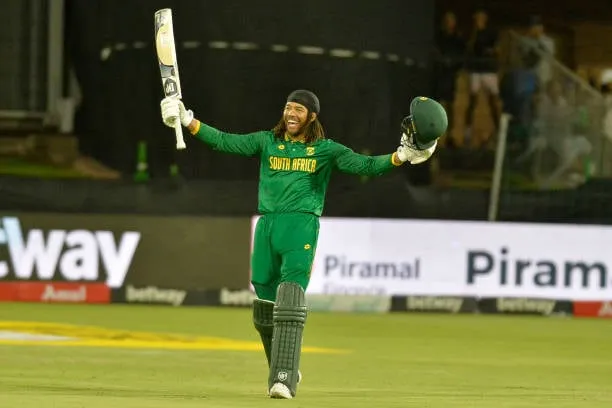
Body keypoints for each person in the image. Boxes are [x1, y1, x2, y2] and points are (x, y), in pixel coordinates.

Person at [160, 90, 447, 399]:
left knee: (290, 295)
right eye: (288, 107)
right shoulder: (266, 142)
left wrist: (400, 156)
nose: (291, 113)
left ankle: (283, 379)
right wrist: (188, 120)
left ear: (312, 117)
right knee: (263, 306)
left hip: (301, 225)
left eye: (299, 109)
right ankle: (283, 365)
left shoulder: (325, 150)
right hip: (267, 225)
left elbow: (365, 166)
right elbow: (225, 141)